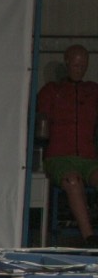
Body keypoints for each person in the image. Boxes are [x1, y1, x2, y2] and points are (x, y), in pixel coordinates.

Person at [37, 44, 98, 245]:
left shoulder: (93, 91)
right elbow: (39, 123)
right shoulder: (51, 91)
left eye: (84, 65)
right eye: (76, 64)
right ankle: (89, 237)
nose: (80, 69)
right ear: (67, 63)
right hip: (59, 156)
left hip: (88, 157)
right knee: (73, 181)